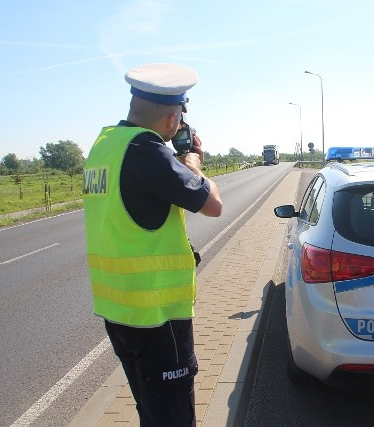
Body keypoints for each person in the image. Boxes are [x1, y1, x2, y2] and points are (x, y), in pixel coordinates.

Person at [83, 63, 222, 426]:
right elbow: (212, 205)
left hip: (120, 313)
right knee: (174, 418)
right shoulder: (146, 149)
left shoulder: (103, 146)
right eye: (178, 119)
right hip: (157, 316)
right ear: (172, 116)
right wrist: (193, 162)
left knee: (152, 412)